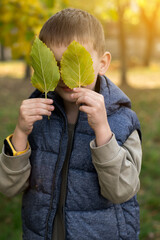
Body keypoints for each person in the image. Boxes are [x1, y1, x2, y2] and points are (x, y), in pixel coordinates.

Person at [0, 8, 142, 240]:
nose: (65, 75)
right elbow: (9, 187)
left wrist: (103, 131)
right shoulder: (37, 116)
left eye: (75, 62)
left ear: (103, 63)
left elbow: (121, 191)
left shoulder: (121, 120)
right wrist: (20, 133)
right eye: (55, 64)